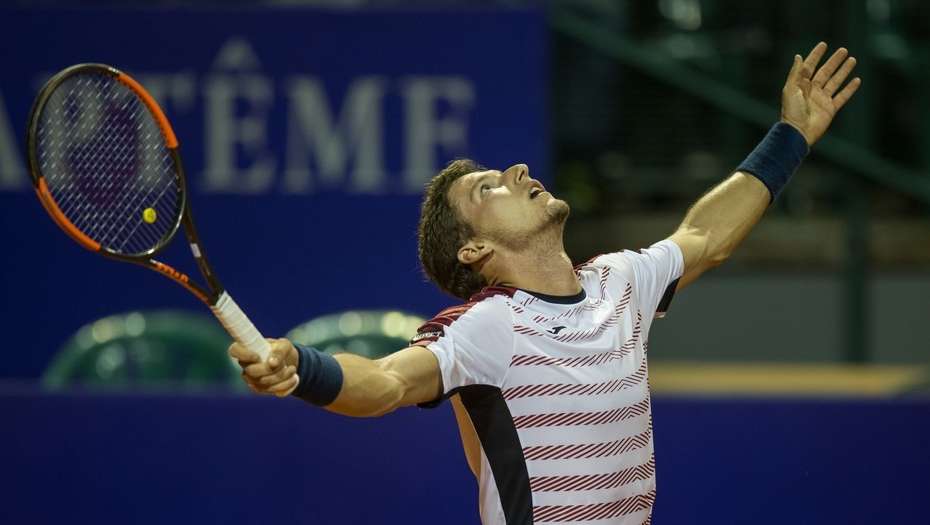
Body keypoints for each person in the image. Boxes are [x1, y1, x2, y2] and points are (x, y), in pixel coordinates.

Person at [230, 42, 860, 525]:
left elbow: (706, 238)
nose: (517, 170)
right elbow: (388, 382)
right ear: (475, 249)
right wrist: (301, 368)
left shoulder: (621, 283)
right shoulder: (488, 325)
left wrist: (792, 136)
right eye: (488, 188)